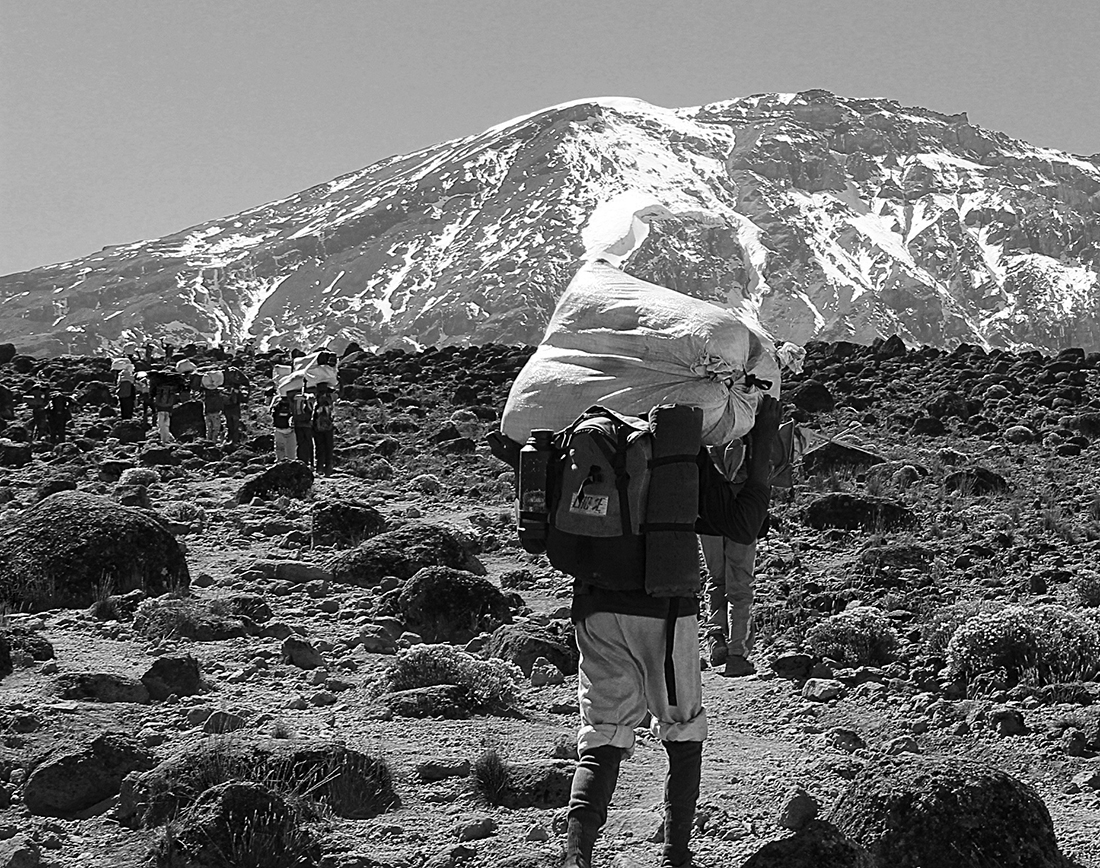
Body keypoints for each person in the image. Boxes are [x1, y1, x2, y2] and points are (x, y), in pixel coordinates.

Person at [563, 395, 781, 868]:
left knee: (601, 731)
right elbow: (742, 523)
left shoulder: (590, 433)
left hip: (594, 605)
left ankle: (576, 856)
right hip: (663, 611)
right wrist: (763, 439)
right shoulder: (679, 446)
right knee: (683, 727)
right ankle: (675, 856)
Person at [699, 437, 760, 677]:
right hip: (741, 516)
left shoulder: (704, 434)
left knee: (716, 578)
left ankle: (716, 638)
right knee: (740, 585)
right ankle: (737, 653)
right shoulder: (748, 433)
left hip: (707, 517)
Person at [312, 383, 336, 475]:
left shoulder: (314, 399)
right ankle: (328, 469)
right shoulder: (329, 399)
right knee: (328, 448)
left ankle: (320, 468)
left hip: (318, 428)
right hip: (328, 427)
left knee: (320, 448)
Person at [290, 387, 315, 467]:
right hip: (307, 425)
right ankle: (311, 462)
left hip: (298, 424)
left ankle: (301, 461)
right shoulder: (309, 397)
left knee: (300, 443)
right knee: (309, 443)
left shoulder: (295, 398)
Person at [152, 374, 179, 444]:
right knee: (167, 422)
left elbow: (152, 394)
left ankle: (163, 439)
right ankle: (166, 437)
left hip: (160, 406)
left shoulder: (158, 385)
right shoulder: (172, 386)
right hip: (169, 406)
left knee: (161, 423)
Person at [270, 393, 296, 461]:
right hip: (290, 430)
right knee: (291, 451)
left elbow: (270, 411)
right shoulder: (293, 401)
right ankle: (291, 465)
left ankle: (280, 463)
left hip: (278, 429)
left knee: (280, 449)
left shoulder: (276, 400)